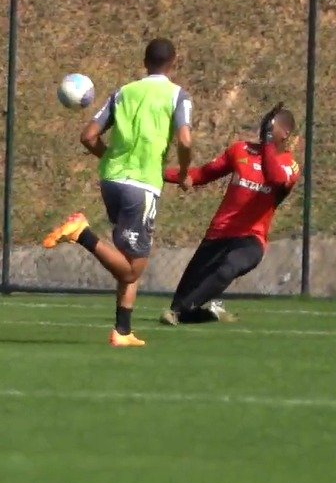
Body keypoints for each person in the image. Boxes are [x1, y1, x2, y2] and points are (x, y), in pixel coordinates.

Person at [42, 38, 193, 347]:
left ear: (144, 62)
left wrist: (110, 158)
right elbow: (185, 141)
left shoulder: (123, 92)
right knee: (132, 270)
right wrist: (184, 173)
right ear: (174, 62)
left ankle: (122, 331)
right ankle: (82, 233)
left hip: (111, 181)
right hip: (142, 185)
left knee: (127, 257)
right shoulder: (177, 95)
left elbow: (88, 136)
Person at [159, 103, 300, 326]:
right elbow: (202, 174)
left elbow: (274, 178)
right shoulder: (240, 150)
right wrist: (158, 173)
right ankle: (208, 313)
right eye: (265, 125)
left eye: (271, 127)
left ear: (285, 133)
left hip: (250, 239)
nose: (265, 128)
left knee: (228, 268)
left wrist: (267, 143)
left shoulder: (289, 166)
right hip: (218, 234)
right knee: (180, 306)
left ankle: (186, 310)